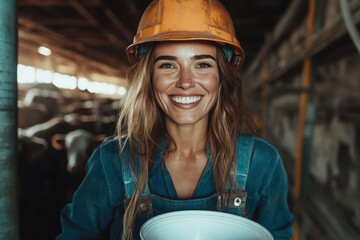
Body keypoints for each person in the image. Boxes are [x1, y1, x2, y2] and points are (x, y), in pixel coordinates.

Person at [56, 0, 294, 239]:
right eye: (168, 64)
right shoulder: (112, 162)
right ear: (149, 78)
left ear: (222, 78)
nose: (186, 82)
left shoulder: (261, 163)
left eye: (202, 64)